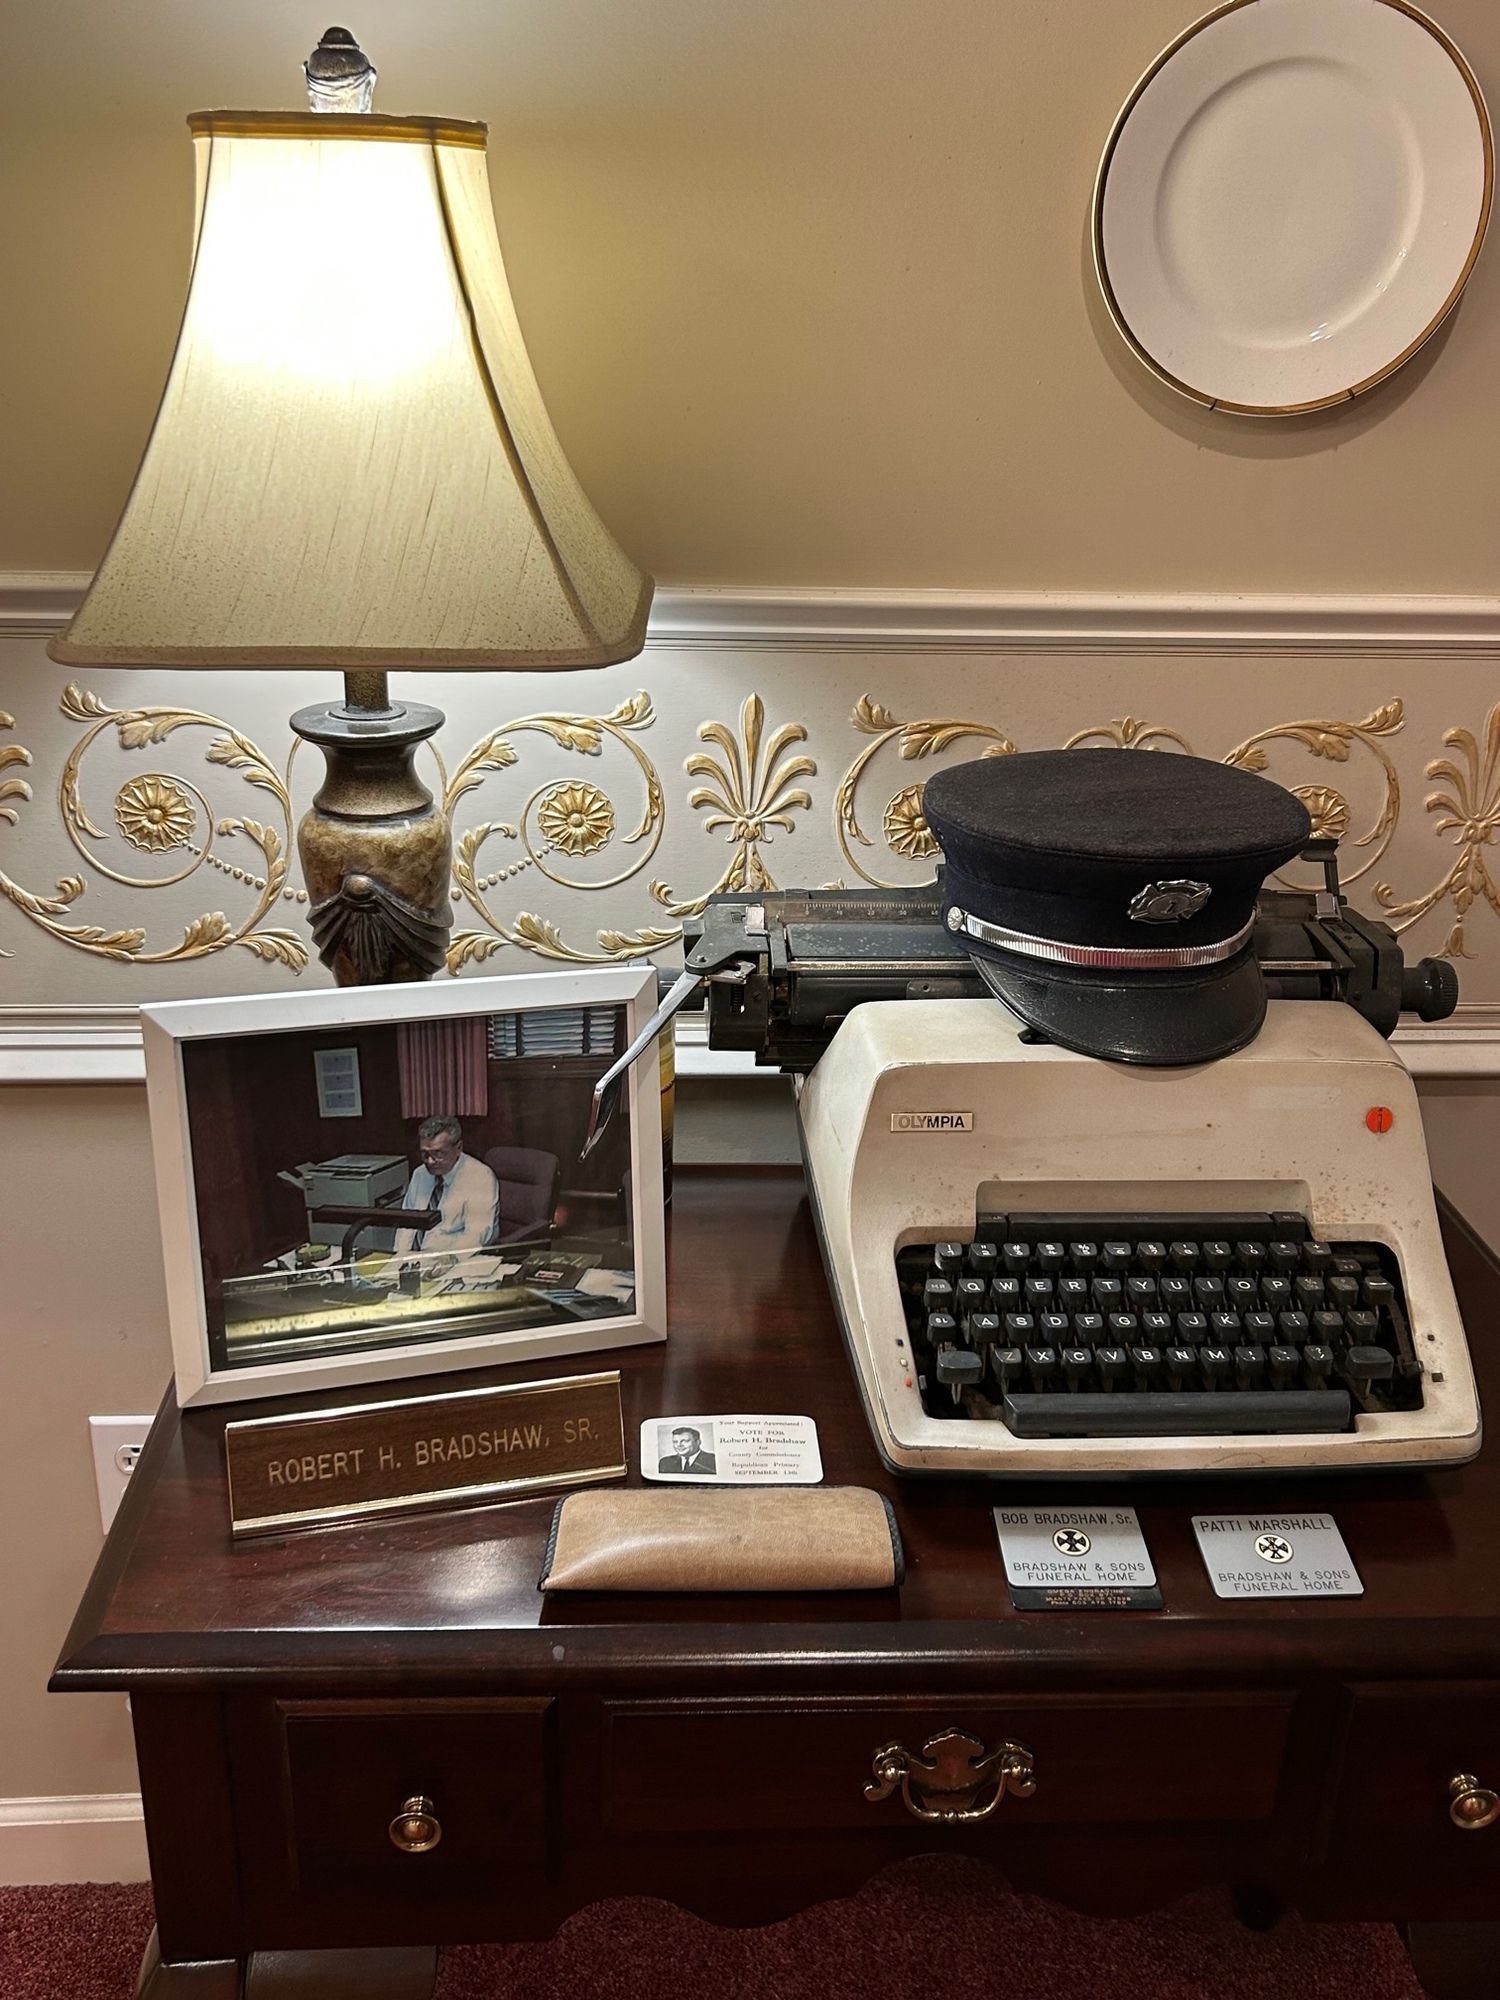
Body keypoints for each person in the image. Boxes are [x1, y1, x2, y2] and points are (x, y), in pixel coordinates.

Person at [390, 1116, 499, 1261]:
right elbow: (406, 1224)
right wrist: (399, 1258)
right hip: (414, 1262)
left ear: (459, 1148)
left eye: (438, 1154)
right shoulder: (420, 1174)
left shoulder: (479, 1176)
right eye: (425, 1154)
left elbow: (477, 1233)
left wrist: (450, 1259)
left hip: (455, 1260)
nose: (430, 1161)